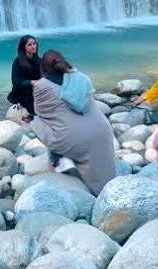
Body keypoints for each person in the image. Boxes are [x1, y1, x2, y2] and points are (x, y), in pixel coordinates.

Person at [29, 50, 116, 195]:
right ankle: (104, 193)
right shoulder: (80, 77)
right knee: (102, 178)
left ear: (43, 69)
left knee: (37, 122)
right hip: (103, 131)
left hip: (76, 140)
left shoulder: (42, 86)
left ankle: (56, 160)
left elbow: (41, 112)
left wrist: (28, 117)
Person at [7, 35, 42, 121]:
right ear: (24, 47)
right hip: (23, 92)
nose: (33, 46)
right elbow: (16, 82)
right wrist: (31, 82)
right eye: (29, 45)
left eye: (34, 44)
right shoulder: (17, 62)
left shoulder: (39, 60)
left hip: (36, 91)